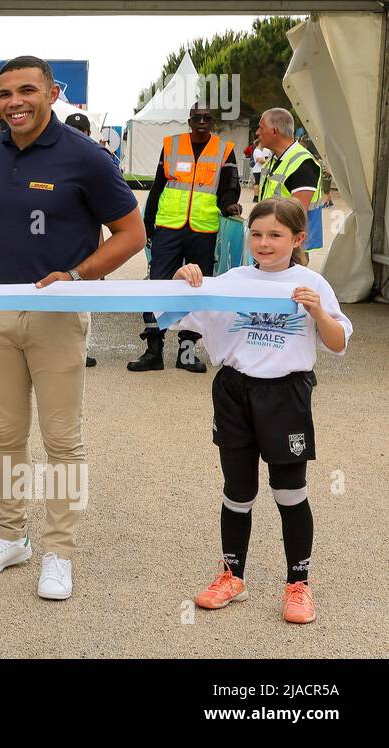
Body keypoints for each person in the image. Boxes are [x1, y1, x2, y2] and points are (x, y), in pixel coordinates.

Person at [0, 56, 145, 601]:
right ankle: (9, 536)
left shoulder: (86, 157)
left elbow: (131, 233)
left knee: (62, 439)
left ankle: (58, 552)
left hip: (58, 313)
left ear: (51, 93)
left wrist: (76, 274)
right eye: (5, 93)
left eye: (26, 91)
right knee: (5, 434)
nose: (14, 102)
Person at [173, 198, 351, 625]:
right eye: (256, 234)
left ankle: (299, 583)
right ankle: (232, 576)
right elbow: (178, 315)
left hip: (286, 393)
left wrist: (316, 310)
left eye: (275, 235)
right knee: (237, 490)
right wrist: (182, 281)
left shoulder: (312, 282)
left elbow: (338, 342)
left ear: (297, 238)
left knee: (289, 490)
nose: (264, 243)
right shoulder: (232, 279)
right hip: (235, 391)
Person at [128, 105, 241, 374]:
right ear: (189, 121)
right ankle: (153, 350)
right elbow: (158, 185)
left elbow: (229, 187)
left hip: (203, 228)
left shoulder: (224, 149)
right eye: (197, 118)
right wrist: (147, 221)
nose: (201, 122)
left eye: (207, 118)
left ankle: (187, 352)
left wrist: (229, 206)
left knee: (196, 288)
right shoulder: (171, 145)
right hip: (168, 226)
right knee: (157, 285)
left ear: (212, 122)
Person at [63, 111, 103, 368]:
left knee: (82, 306)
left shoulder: (93, 165)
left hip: (84, 249)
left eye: (82, 131)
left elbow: (99, 219)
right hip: (60, 246)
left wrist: (101, 259)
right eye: (73, 131)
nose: (78, 136)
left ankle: (82, 348)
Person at [256, 108, 323, 247]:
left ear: (274, 131)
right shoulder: (273, 160)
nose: (257, 133)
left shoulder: (303, 163)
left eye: (261, 128)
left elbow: (296, 216)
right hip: (271, 243)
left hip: (291, 249)